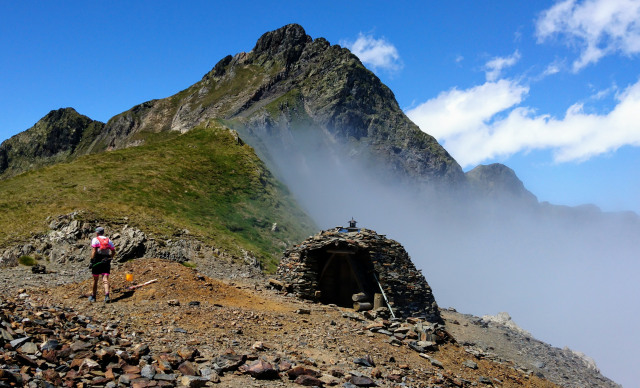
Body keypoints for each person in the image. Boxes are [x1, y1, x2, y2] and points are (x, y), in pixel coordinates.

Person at [89, 226, 115, 303]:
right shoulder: (109, 240)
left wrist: (91, 261)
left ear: (97, 233)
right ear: (103, 232)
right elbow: (113, 252)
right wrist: (110, 258)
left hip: (97, 260)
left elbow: (94, 251)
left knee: (95, 279)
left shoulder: (95, 239)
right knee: (105, 279)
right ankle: (107, 296)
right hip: (106, 260)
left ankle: (93, 297)